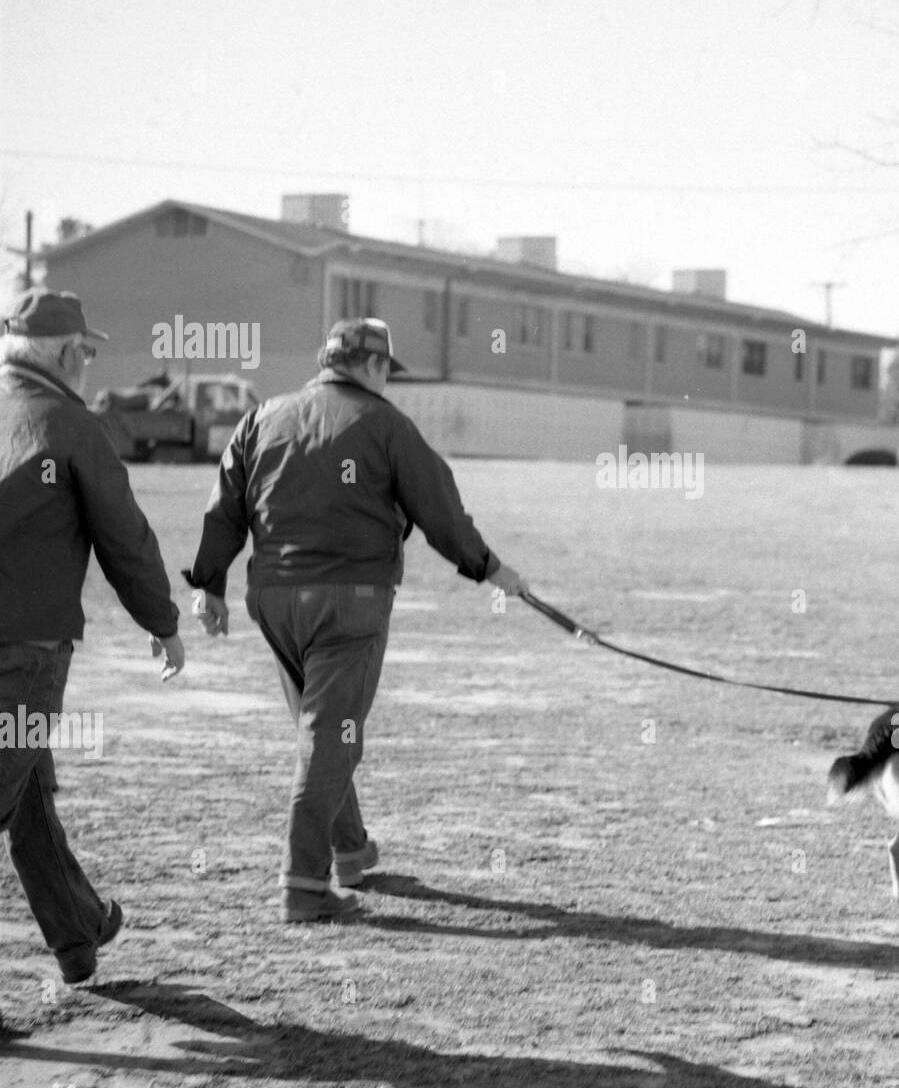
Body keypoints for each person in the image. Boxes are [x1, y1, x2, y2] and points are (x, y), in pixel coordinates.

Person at [183, 317, 529, 923]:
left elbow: (224, 509)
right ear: (373, 366)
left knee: (322, 729)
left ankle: (349, 850)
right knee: (329, 738)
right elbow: (440, 511)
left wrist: (209, 584)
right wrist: (489, 568)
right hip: (350, 601)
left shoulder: (263, 418)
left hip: (273, 599)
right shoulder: (386, 424)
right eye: (386, 370)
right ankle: (303, 885)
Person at [0, 289, 185, 984]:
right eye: (87, 350)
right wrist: (162, 624)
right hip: (24, 651)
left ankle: (77, 933)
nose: (91, 362)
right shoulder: (70, 426)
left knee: (25, 793)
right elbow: (124, 537)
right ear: (66, 353)